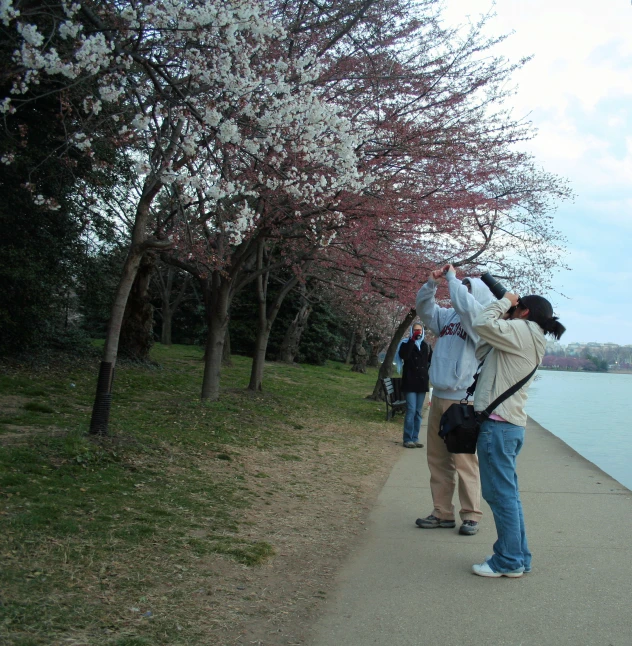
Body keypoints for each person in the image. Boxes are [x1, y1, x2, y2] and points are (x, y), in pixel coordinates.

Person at [471, 293, 565, 578]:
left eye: (516, 307)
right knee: (507, 495)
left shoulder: (522, 330)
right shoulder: (529, 334)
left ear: (524, 312)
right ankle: (518, 557)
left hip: (498, 427)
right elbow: (482, 350)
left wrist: (503, 303)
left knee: (500, 495)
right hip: (509, 426)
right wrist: (507, 312)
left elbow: (480, 323)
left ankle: (508, 560)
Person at [415, 264, 494, 536]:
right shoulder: (448, 318)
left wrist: (452, 278)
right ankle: (442, 512)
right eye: (464, 288)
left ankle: (471, 514)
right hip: (439, 396)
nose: (463, 293)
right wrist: (430, 285)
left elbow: (467, 306)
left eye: (469, 290)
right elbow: (425, 310)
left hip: (463, 402)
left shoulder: (481, 321)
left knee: (464, 461)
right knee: (438, 460)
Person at [396, 323, 432, 449]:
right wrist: (412, 340)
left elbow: (430, 361)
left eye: (420, 330)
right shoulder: (405, 344)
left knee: (418, 411)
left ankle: (415, 438)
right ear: (411, 331)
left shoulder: (426, 345)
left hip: (421, 382)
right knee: (411, 410)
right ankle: (407, 438)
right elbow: (404, 356)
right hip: (410, 381)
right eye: (416, 330)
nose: (418, 332)